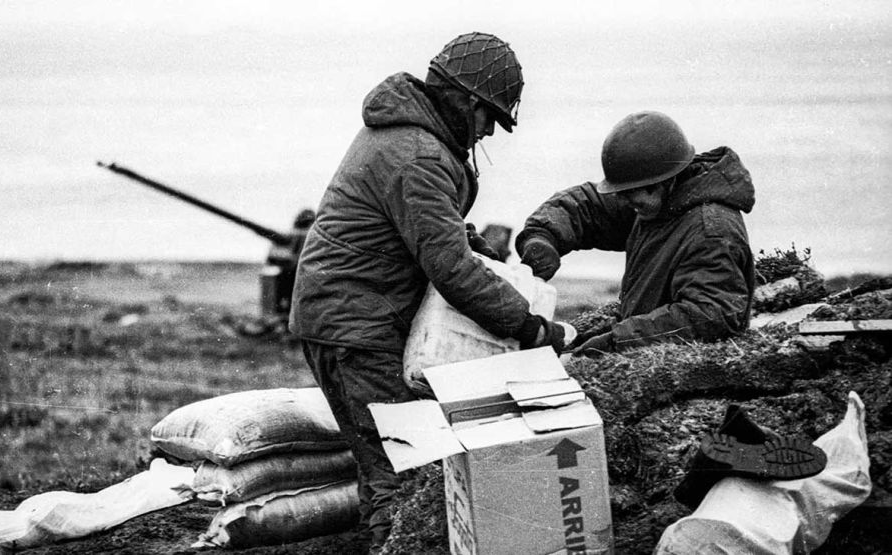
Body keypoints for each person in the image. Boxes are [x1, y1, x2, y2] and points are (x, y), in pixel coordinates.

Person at [289, 32, 572, 551]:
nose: (488, 131)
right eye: (490, 117)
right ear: (466, 100)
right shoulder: (418, 154)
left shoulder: (407, 137)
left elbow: (425, 228)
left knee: (386, 464)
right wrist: (529, 326)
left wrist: (473, 246)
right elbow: (450, 269)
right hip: (357, 327)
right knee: (400, 470)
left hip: (348, 317)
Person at [516, 111, 756, 356]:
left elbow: (711, 315)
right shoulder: (656, 201)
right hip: (641, 344)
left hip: (678, 367)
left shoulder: (710, 232)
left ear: (663, 182)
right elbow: (587, 206)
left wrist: (616, 342)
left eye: (630, 193)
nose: (623, 200)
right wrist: (543, 236)